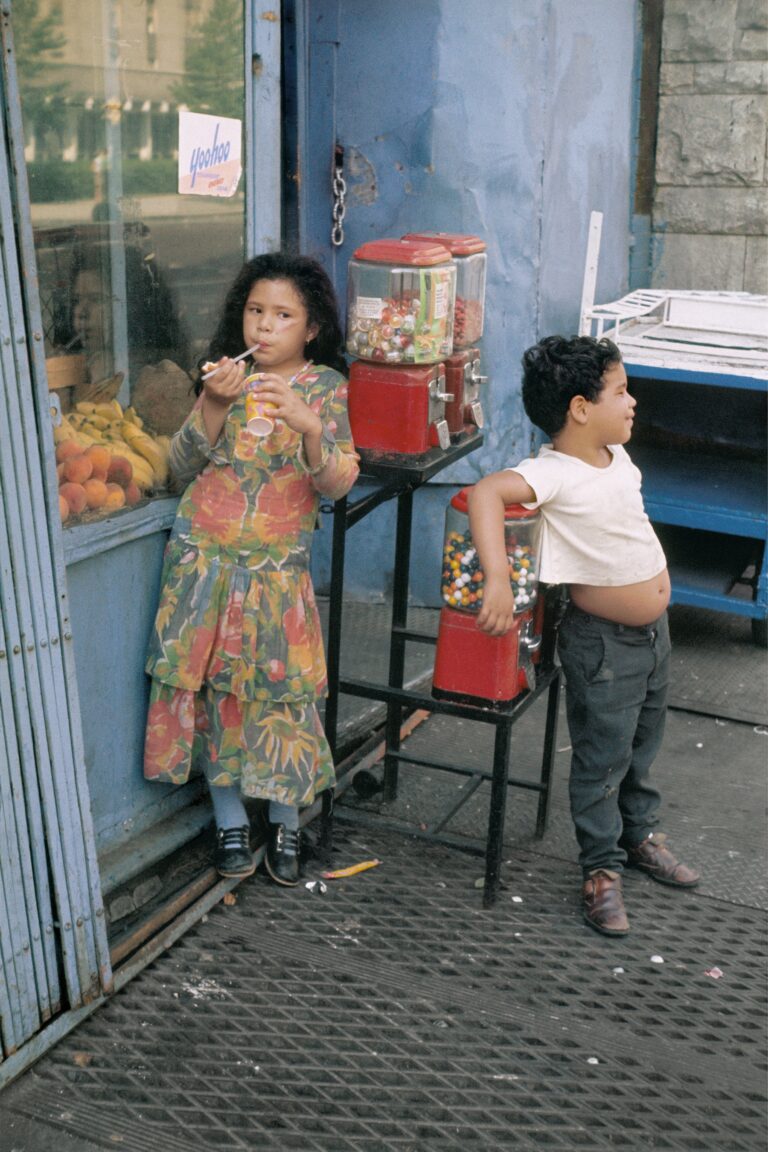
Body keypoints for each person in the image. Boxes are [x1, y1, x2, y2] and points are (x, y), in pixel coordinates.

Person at [468, 334, 699, 936]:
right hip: (603, 647)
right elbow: (488, 493)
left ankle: (639, 835)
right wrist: (497, 578)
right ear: (579, 408)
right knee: (601, 759)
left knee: (642, 745)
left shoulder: (614, 455)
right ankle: (601, 870)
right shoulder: (554, 474)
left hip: (654, 638)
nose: (633, 403)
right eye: (621, 392)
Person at [143, 253, 359, 886]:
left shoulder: (325, 389)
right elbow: (180, 467)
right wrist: (211, 402)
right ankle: (229, 816)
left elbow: (339, 483)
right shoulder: (224, 377)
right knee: (213, 693)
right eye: (255, 311)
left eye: (283, 315)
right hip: (202, 564)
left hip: (274, 576)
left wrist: (310, 428)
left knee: (279, 696)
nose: (265, 327)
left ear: (311, 327)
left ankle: (287, 819)